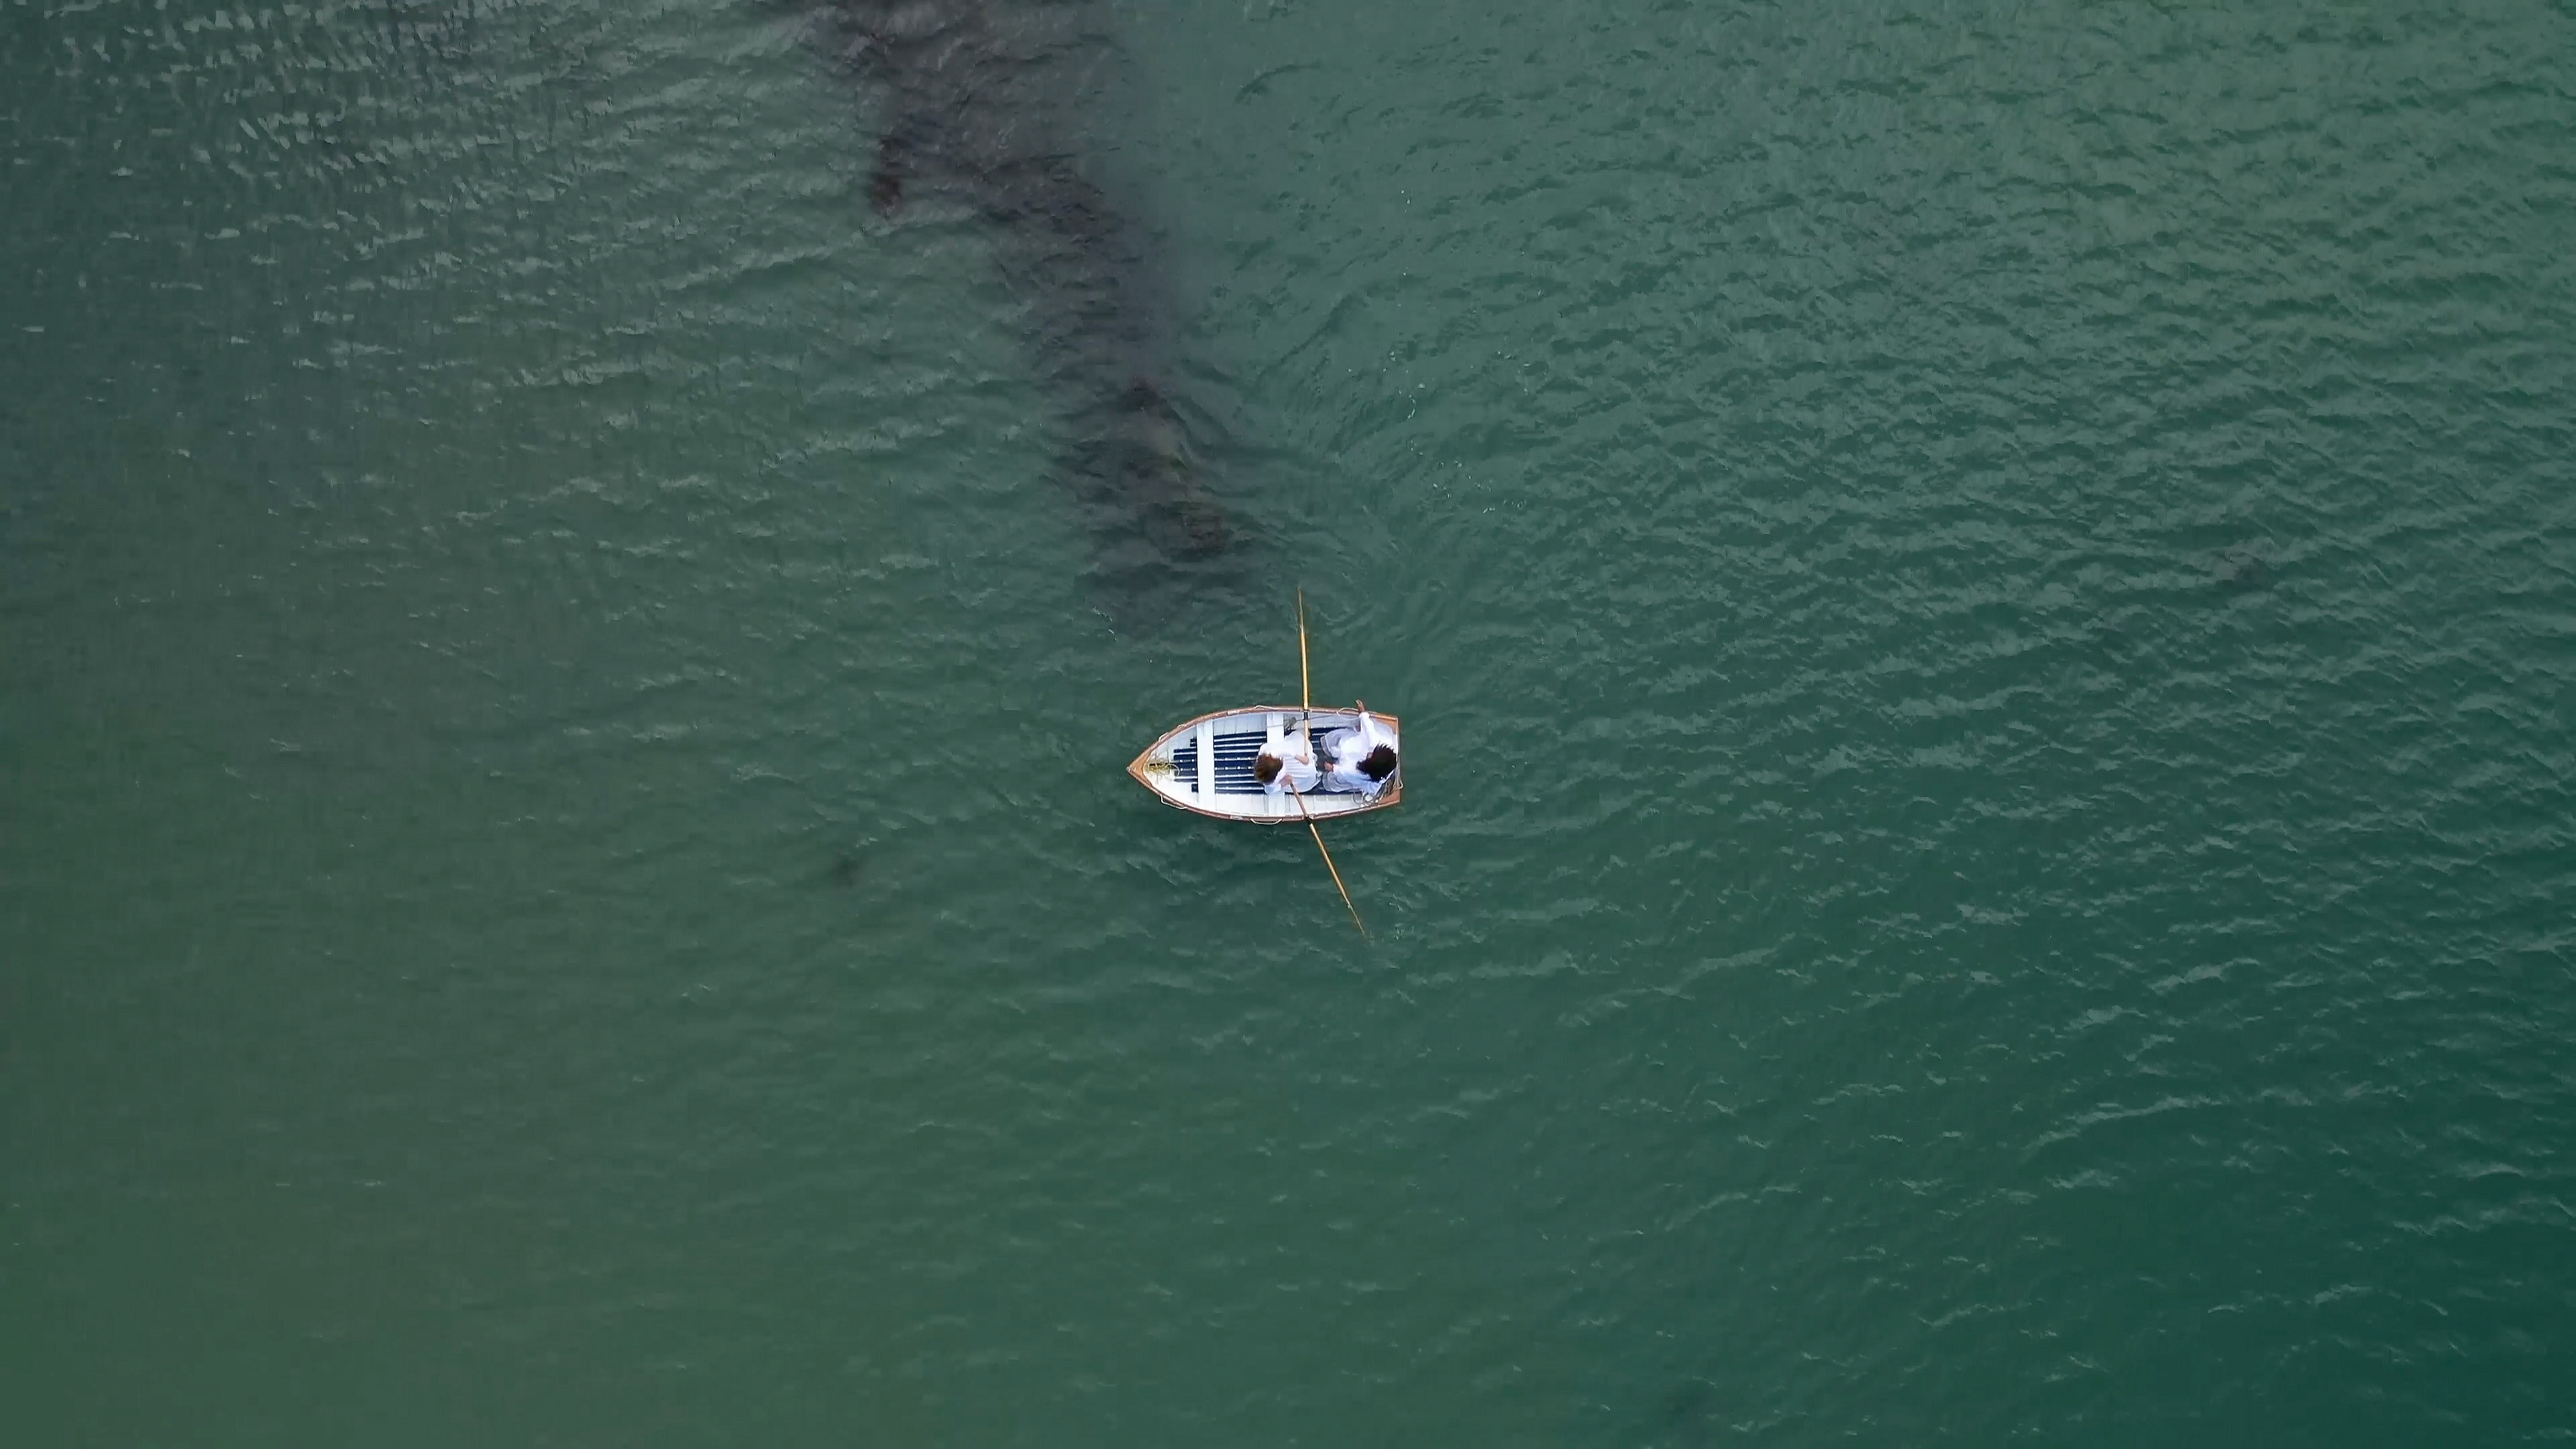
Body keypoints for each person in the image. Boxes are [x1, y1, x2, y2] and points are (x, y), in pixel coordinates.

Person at [1321, 707, 1399, 800]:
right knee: (1344, 746)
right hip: (1369, 762)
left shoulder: (1365, 774)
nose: (1369, 754)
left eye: (1372, 757)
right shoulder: (1377, 744)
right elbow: (1370, 730)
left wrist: (1333, 768)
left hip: (1362, 772)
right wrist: (1363, 714)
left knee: (1340, 776)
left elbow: (1348, 773)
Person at [1253, 734, 1320, 796]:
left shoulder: (1267, 752)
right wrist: (1283, 783)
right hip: (1293, 774)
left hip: (1289, 757)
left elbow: (1287, 750)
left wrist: (1299, 758)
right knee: (1310, 773)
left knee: (1305, 753)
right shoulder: (1270, 782)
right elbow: (1268, 791)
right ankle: (1318, 772)